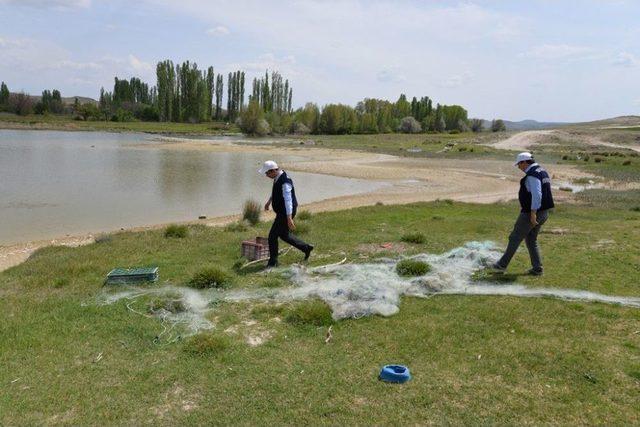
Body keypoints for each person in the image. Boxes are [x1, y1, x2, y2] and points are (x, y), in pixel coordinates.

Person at [492, 152, 555, 275]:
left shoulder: (532, 175)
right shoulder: (542, 171)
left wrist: (533, 213)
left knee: (515, 237)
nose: (519, 167)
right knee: (531, 239)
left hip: (531, 213)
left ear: (525, 162)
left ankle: (501, 265)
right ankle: (537, 269)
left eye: (519, 164)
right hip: (544, 212)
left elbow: (537, 195)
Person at [258, 160, 313, 267]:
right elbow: (277, 192)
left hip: (286, 213)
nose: (266, 175)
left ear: (273, 171)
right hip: (283, 212)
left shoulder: (285, 182)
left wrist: (289, 218)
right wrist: (269, 201)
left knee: (272, 237)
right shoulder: (277, 177)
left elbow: (288, 200)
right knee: (284, 235)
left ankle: (273, 262)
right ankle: (306, 248)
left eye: (267, 173)